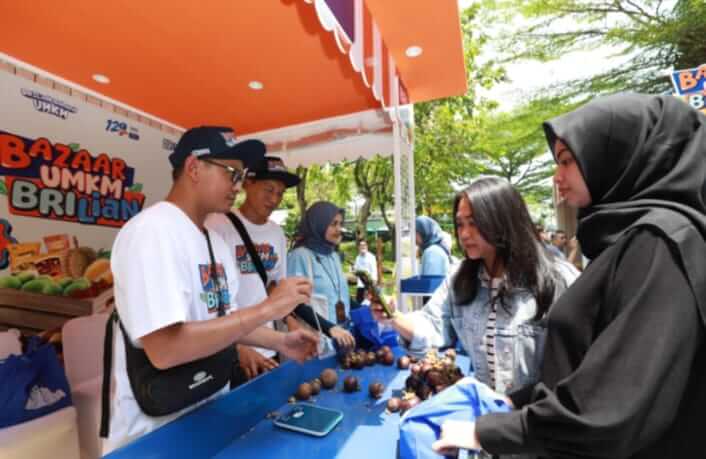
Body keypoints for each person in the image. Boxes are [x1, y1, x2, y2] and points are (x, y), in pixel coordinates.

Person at [433, 93, 706, 458]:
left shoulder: (657, 245)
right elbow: (589, 370)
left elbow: (607, 410)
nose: (557, 178)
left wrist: (486, 432)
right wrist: (515, 402)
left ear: (617, 157)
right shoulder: (629, 242)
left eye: (566, 161)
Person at [106, 127, 318, 452]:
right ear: (193, 168)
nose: (237, 186)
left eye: (241, 175)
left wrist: (280, 341)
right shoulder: (152, 233)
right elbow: (165, 349)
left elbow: (225, 319)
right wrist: (267, 309)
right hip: (156, 432)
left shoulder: (214, 241)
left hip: (208, 411)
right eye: (231, 173)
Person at [373, 177, 578, 397]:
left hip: (538, 421)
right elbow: (432, 323)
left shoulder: (557, 280)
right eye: (460, 224)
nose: (464, 234)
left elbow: (579, 367)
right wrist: (394, 317)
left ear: (502, 220)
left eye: (474, 222)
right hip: (485, 418)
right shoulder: (460, 279)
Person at [207, 157, 354, 382]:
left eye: (280, 193)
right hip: (229, 349)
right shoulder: (218, 225)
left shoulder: (276, 233)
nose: (274, 199)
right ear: (247, 183)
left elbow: (274, 286)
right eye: (269, 189)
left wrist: (290, 321)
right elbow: (209, 298)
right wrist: (236, 346)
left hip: (267, 344)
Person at [288, 202, 351, 325]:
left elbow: (340, 294)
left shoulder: (333, 256)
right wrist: (329, 328)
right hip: (316, 337)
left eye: (340, 224)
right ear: (318, 224)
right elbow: (295, 303)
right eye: (333, 224)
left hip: (342, 335)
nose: (339, 229)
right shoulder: (300, 256)